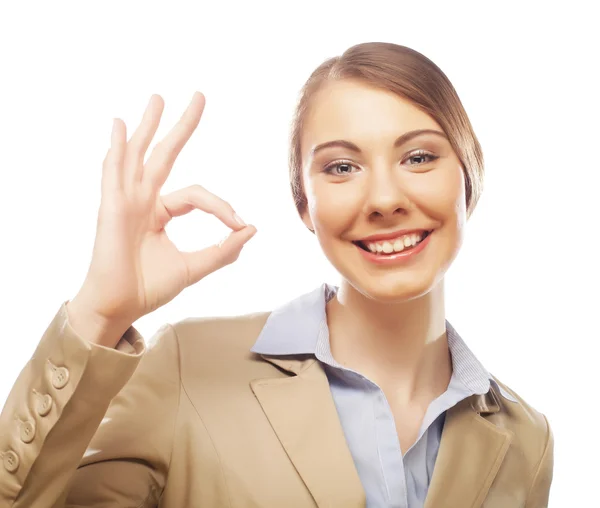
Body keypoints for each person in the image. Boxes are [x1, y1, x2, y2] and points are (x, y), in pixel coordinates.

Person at [0, 42, 553, 508]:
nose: (385, 199)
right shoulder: (186, 368)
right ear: (304, 207)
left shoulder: (526, 440)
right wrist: (99, 313)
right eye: (341, 167)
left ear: (469, 180)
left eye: (419, 157)